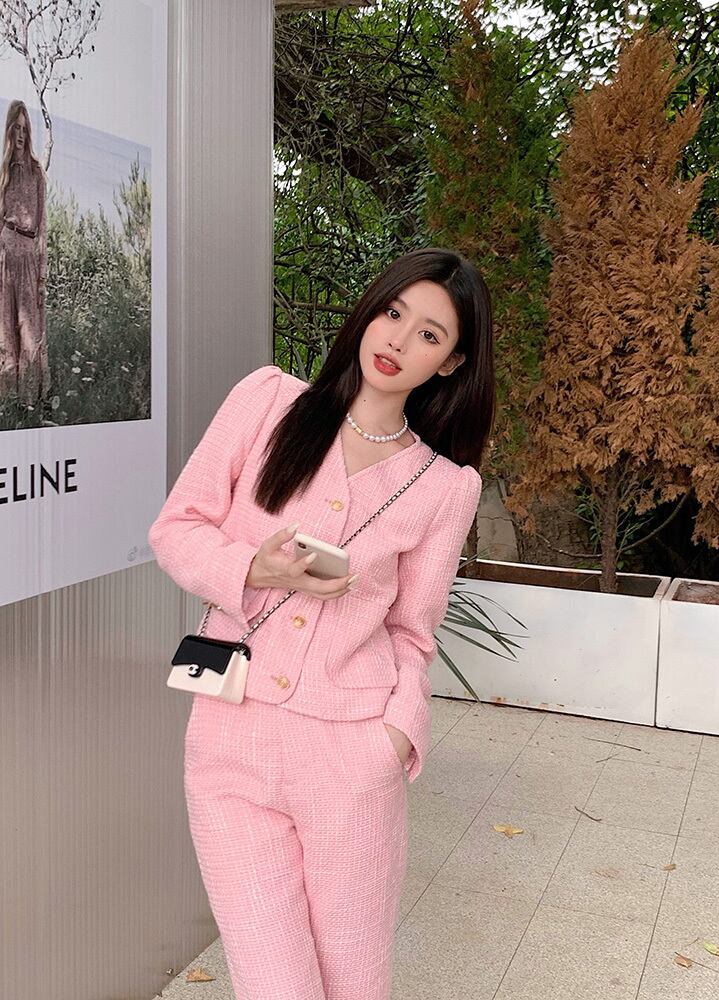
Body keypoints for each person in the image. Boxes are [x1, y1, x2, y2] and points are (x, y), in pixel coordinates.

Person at [148, 247, 496, 1000]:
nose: (398, 339)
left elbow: (413, 632)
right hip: (230, 742)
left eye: (430, 334)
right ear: (370, 309)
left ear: (449, 364)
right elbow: (177, 528)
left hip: (350, 755)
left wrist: (393, 739)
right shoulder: (267, 402)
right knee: (276, 983)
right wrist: (253, 569)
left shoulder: (445, 487)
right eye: (394, 311)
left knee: (353, 982)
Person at [0, 99, 50, 405]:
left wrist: (42, 277)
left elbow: (42, 228)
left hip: (29, 258)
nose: (20, 134)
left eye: (25, 128)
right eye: (16, 128)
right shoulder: (4, 172)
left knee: (29, 334)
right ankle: (7, 402)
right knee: (6, 332)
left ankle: (28, 402)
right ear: (9, 130)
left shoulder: (36, 172)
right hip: (5, 256)